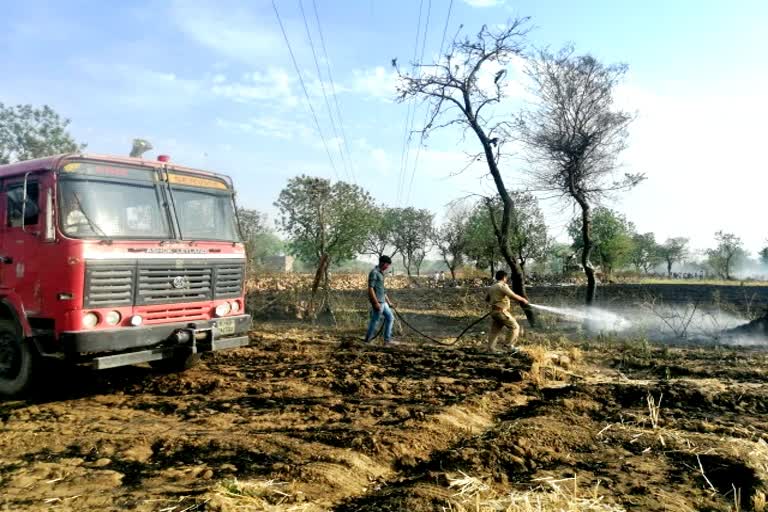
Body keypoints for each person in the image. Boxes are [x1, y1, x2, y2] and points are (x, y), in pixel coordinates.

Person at [485, 270, 529, 352]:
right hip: (501, 312)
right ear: (504, 277)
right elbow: (512, 295)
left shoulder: (492, 287)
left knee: (495, 331)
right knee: (514, 327)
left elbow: (487, 299)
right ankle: (508, 346)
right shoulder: (502, 286)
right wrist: (523, 300)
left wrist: (497, 301)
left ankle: (490, 348)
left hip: (494, 312)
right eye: (506, 277)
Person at [365, 255, 396, 344]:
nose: (388, 267)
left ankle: (387, 340)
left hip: (383, 302)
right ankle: (368, 340)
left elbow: (382, 291)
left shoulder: (381, 273)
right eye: (387, 265)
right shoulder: (374, 272)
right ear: (383, 263)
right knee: (375, 321)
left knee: (390, 318)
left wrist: (389, 302)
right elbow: (370, 288)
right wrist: (375, 303)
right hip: (378, 302)